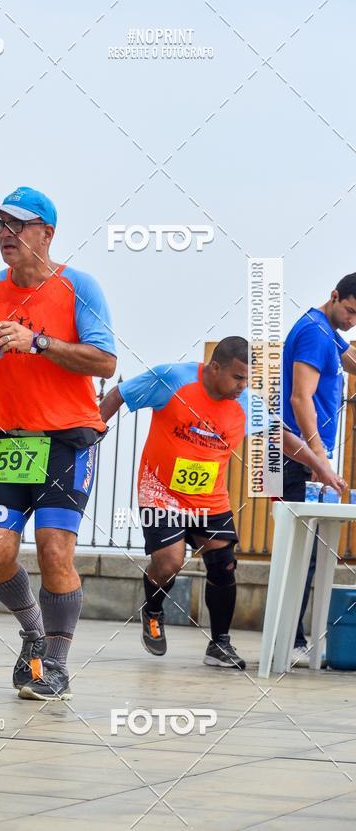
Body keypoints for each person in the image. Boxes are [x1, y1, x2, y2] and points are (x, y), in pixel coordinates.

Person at [0, 186, 116, 700]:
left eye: (18, 225)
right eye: (0, 225)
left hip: (67, 439)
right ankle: (32, 633)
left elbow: (106, 362)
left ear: (47, 232)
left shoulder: (78, 286)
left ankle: (57, 665)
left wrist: (37, 342)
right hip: (5, 442)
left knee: (53, 549)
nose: (6, 234)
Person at [99, 336, 345, 669]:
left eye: (247, 379)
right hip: (161, 490)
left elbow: (284, 439)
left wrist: (322, 468)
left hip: (210, 496)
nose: (242, 386)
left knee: (224, 564)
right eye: (237, 377)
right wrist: (92, 429)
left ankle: (220, 645)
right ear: (214, 368)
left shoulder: (246, 402)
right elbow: (119, 394)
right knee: (170, 561)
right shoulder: (173, 379)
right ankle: (153, 609)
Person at [283, 274, 356, 666]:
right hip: (301, 457)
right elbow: (299, 397)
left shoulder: (325, 329)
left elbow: (347, 358)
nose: (352, 321)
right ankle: (291, 639)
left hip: (306, 456)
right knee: (301, 554)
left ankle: (291, 636)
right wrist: (319, 460)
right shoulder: (315, 332)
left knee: (307, 552)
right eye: (350, 311)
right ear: (334, 296)